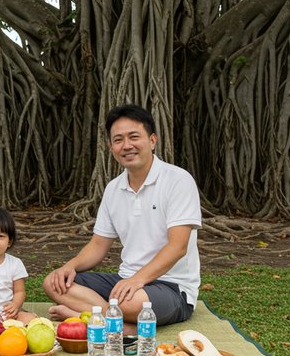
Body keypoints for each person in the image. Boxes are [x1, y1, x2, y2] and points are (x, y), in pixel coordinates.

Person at [42, 104, 201, 329]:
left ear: (152, 140)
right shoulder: (113, 189)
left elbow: (177, 247)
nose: (126, 146)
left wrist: (138, 280)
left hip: (171, 287)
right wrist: (71, 265)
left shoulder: (178, 181)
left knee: (129, 303)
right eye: (118, 140)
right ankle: (118, 323)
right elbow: (98, 244)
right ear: (110, 146)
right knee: (54, 283)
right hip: (124, 282)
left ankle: (100, 317)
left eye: (134, 137)